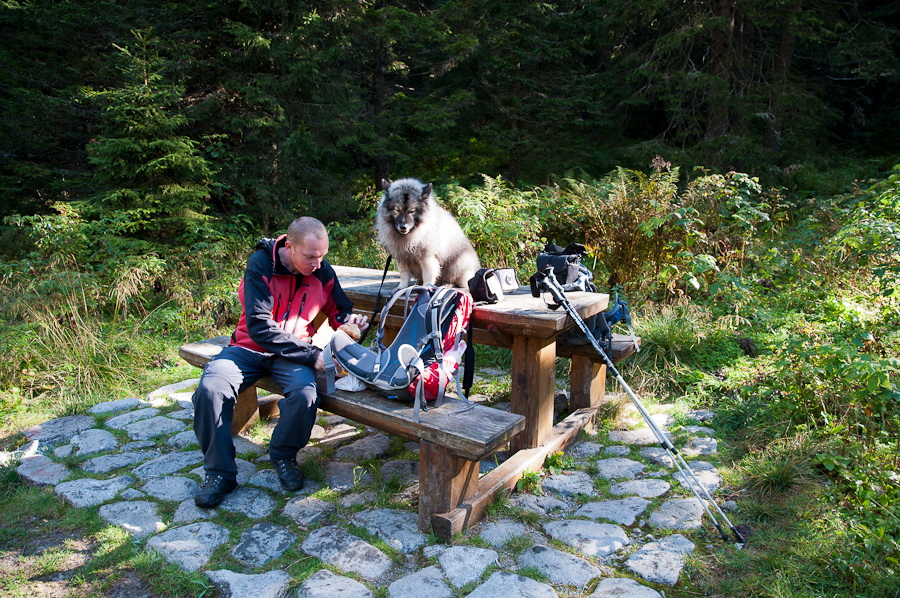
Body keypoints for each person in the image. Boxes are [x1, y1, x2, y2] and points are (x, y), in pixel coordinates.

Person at [192, 216, 369, 508]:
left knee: (305, 394)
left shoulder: (322, 271)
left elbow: (340, 310)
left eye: (322, 256)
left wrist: (351, 322)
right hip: (248, 348)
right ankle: (219, 473)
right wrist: (313, 356)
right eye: (310, 256)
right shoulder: (260, 265)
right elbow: (260, 328)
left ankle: (284, 455)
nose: (317, 263)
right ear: (290, 246)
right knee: (211, 390)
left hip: (292, 355)